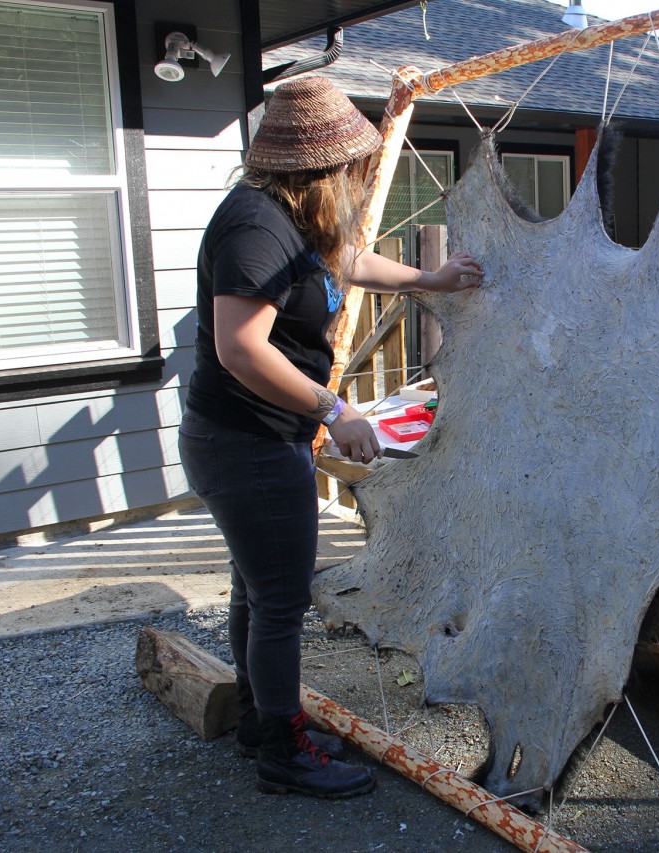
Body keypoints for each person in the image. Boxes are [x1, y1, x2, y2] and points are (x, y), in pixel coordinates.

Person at [178, 76, 483, 799]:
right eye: (353, 165)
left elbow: (347, 261)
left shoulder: (293, 216)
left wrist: (432, 279)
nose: (360, 175)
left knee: (259, 590)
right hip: (246, 443)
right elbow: (239, 348)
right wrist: (334, 409)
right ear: (324, 167)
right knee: (281, 601)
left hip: (253, 438)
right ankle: (285, 753)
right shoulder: (257, 228)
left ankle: (260, 722)